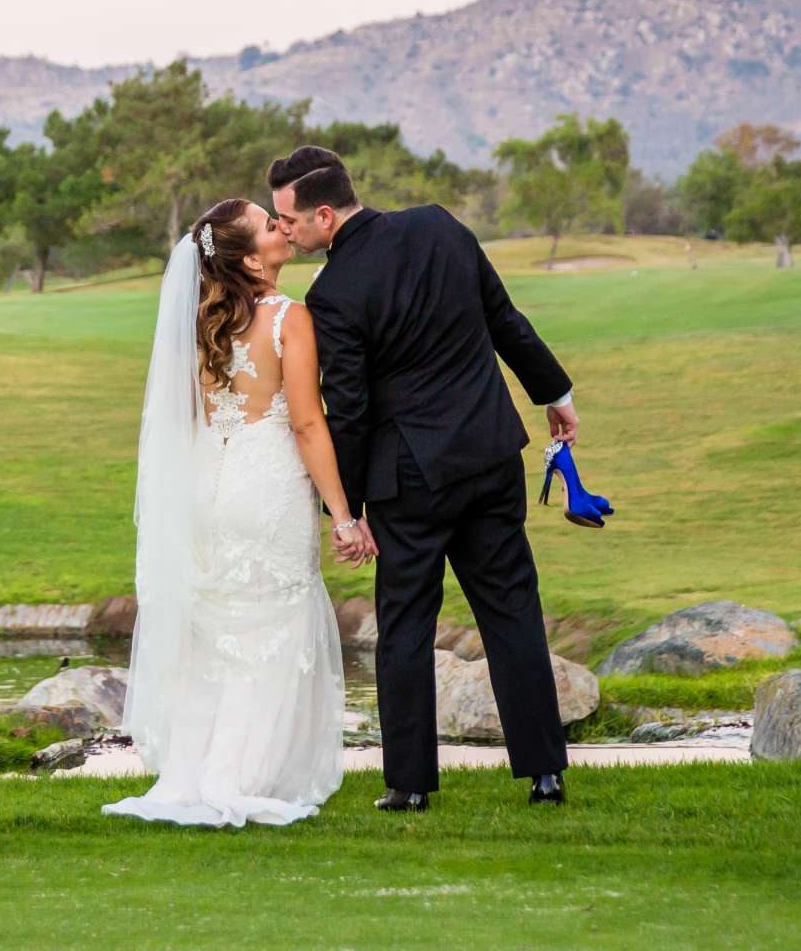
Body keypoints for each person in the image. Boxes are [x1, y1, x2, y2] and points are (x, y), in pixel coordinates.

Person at [270, 145, 578, 808]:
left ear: (325, 215)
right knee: (512, 610)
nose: (285, 233)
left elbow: (347, 413)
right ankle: (545, 773)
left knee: (406, 624)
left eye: (289, 220)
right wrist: (555, 393)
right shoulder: (440, 224)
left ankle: (409, 786)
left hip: (410, 481)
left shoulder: (333, 295)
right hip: (493, 454)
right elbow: (505, 321)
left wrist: (345, 510)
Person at [102, 197, 371, 827]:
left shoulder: (195, 322)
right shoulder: (289, 318)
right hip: (267, 487)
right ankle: (242, 776)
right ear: (251, 257)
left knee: (214, 638)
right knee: (270, 630)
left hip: (205, 489)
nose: (282, 228)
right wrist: (343, 515)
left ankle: (195, 774)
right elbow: (306, 423)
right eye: (269, 224)